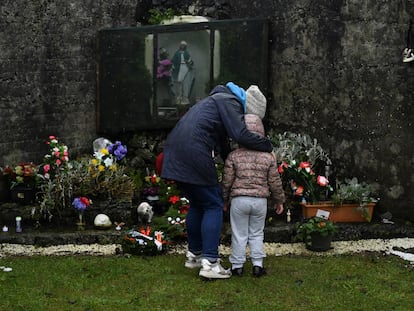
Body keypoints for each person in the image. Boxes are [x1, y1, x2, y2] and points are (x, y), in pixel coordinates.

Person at [161, 82, 273, 279]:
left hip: (174, 152)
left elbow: (223, 145)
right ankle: (211, 263)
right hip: (194, 152)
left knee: (198, 203)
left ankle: (194, 256)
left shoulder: (216, 101)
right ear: (248, 110)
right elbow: (240, 134)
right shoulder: (230, 102)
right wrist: (267, 146)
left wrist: (236, 160)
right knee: (213, 204)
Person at [221, 114, 285, 278]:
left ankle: (237, 266)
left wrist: (225, 199)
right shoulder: (268, 156)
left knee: (239, 233)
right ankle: (257, 265)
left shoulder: (234, 156)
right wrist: (279, 200)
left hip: (239, 200)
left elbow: (227, 181)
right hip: (260, 201)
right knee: (257, 233)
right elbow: (275, 181)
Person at [171, 41, 194, 105]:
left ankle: (185, 98)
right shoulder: (177, 53)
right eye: (181, 45)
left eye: (184, 45)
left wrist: (189, 63)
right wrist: (173, 67)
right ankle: (179, 97)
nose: (182, 46)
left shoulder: (187, 53)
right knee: (179, 82)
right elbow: (173, 61)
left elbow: (190, 61)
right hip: (178, 68)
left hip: (185, 67)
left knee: (185, 83)